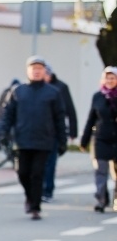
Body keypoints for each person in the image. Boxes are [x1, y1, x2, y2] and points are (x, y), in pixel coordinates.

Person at [0, 56, 66, 220]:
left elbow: (59, 118)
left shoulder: (53, 93)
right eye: (33, 68)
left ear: (44, 71)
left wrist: (62, 140)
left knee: (37, 174)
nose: (36, 71)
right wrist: (3, 134)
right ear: (28, 71)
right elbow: (8, 115)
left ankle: (35, 207)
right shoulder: (18, 91)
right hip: (23, 140)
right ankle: (30, 196)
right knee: (22, 173)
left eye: (39, 69)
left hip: (44, 141)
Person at [79, 66, 117, 212]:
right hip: (101, 138)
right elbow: (91, 119)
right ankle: (101, 199)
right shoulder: (98, 96)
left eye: (112, 78)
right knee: (101, 171)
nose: (109, 81)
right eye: (107, 78)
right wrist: (84, 140)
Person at [42, 64, 78, 202]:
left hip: (54, 132)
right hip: (38, 132)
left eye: (46, 73)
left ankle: (48, 190)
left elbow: (70, 109)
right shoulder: (34, 88)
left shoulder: (60, 88)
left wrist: (73, 131)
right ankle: (38, 190)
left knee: (50, 163)